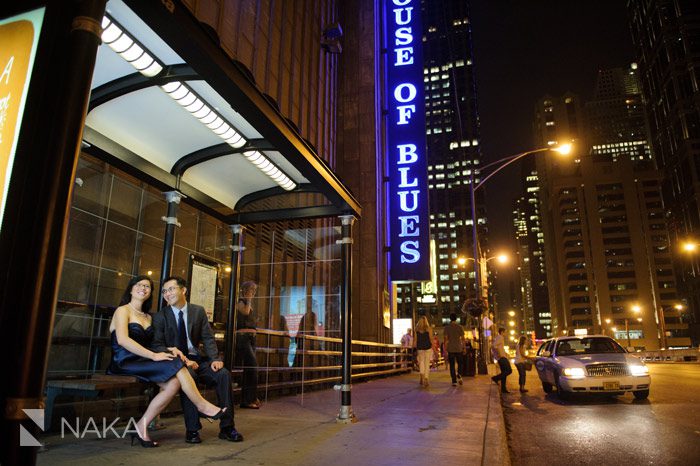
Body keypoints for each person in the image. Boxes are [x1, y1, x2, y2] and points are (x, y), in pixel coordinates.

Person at [107, 275, 226, 448]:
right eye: (139, 285)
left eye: (147, 286)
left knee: (173, 383)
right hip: (124, 361)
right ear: (131, 289)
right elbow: (123, 340)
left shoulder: (149, 317)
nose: (143, 288)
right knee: (176, 364)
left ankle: (141, 426)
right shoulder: (123, 310)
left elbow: (154, 344)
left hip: (143, 360)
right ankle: (202, 405)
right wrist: (154, 356)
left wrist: (171, 349)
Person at [151, 276, 243, 444]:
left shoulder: (197, 311)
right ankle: (192, 430)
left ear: (183, 290)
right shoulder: (160, 316)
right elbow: (157, 345)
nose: (167, 294)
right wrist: (182, 359)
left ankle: (227, 427)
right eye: (164, 291)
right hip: (177, 363)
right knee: (189, 378)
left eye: (171, 289)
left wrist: (215, 359)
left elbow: (208, 338)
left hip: (198, 360)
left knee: (223, 375)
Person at [235, 281, 260, 409]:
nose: (253, 293)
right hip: (243, 338)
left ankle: (250, 398)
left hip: (251, 339)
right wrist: (248, 300)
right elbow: (244, 312)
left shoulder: (248, 303)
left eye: (254, 291)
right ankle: (248, 399)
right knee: (252, 367)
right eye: (251, 290)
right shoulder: (241, 302)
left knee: (251, 369)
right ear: (245, 291)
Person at [443, 313, 465, 386]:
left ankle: (454, 381)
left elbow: (445, 339)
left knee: (452, 365)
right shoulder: (460, 327)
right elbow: (463, 338)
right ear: (456, 318)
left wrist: (445, 349)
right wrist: (464, 347)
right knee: (460, 363)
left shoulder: (447, 328)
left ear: (450, 319)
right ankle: (459, 374)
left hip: (451, 348)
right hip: (459, 348)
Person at [491, 327, 513, 393]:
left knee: (504, 372)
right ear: (502, 332)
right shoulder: (500, 337)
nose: (505, 333)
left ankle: (503, 388)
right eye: (505, 332)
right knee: (509, 370)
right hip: (502, 358)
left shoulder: (498, 337)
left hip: (502, 357)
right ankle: (495, 378)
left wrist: (504, 353)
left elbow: (497, 347)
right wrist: (499, 354)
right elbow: (493, 346)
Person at [414, 316, 433, 387]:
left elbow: (415, 341)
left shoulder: (416, 330)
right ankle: (426, 379)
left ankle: (421, 377)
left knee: (421, 362)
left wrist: (414, 349)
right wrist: (434, 350)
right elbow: (431, 340)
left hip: (420, 348)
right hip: (428, 347)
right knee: (427, 363)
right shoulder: (429, 329)